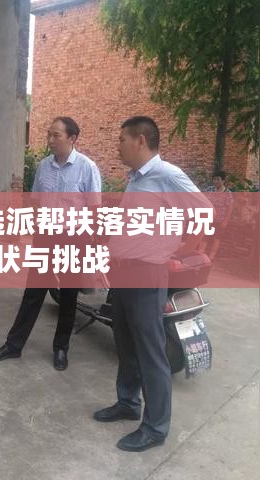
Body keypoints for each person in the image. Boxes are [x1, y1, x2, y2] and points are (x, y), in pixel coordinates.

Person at [93, 116, 210, 452]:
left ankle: (156, 427)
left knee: (150, 352)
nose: (118, 146)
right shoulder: (136, 178)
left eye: (122, 140)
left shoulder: (166, 175)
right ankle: (128, 403)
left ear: (140, 141)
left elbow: (204, 212)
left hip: (147, 275)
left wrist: (179, 251)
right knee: (125, 343)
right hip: (123, 274)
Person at [0, 117, 102, 371]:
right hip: (45, 237)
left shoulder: (86, 167)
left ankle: (61, 348)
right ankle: (13, 345)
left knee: (69, 297)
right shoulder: (44, 166)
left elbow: (94, 209)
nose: (50, 140)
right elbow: (36, 202)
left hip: (74, 239)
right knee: (33, 294)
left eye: (56, 135)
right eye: (49, 134)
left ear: (72, 138)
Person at [199, 171, 233, 260]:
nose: (216, 181)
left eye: (218, 180)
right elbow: (203, 201)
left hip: (219, 219)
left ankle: (211, 256)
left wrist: (225, 221)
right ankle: (200, 254)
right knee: (204, 236)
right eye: (214, 179)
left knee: (216, 238)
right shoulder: (209, 190)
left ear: (223, 181)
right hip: (208, 218)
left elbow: (230, 208)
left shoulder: (227, 193)